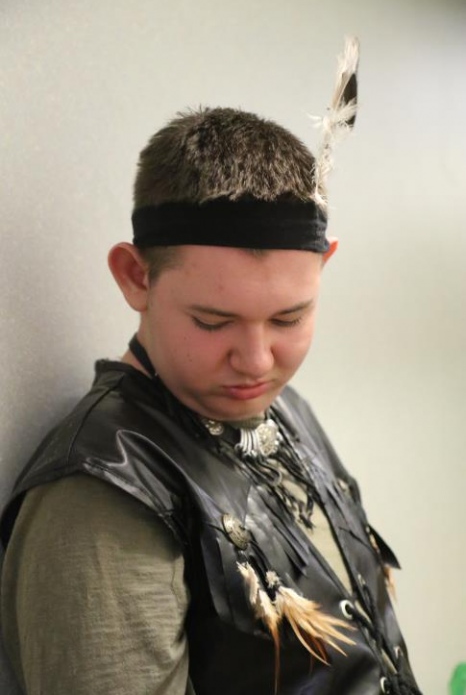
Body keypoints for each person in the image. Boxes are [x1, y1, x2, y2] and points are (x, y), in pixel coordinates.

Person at [0, 40, 422, 695]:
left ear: (324, 266)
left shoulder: (281, 408)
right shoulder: (103, 500)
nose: (257, 362)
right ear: (135, 277)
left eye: (288, 319)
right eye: (212, 321)